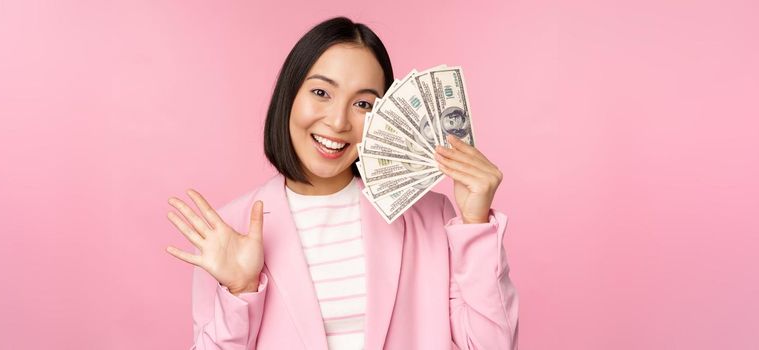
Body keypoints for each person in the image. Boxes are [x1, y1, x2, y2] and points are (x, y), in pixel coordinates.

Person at [165, 16, 518, 350]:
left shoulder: (431, 217)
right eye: (321, 93)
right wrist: (240, 291)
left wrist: (475, 224)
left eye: (363, 103)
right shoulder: (230, 231)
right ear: (289, 96)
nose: (337, 122)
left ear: (386, 117)